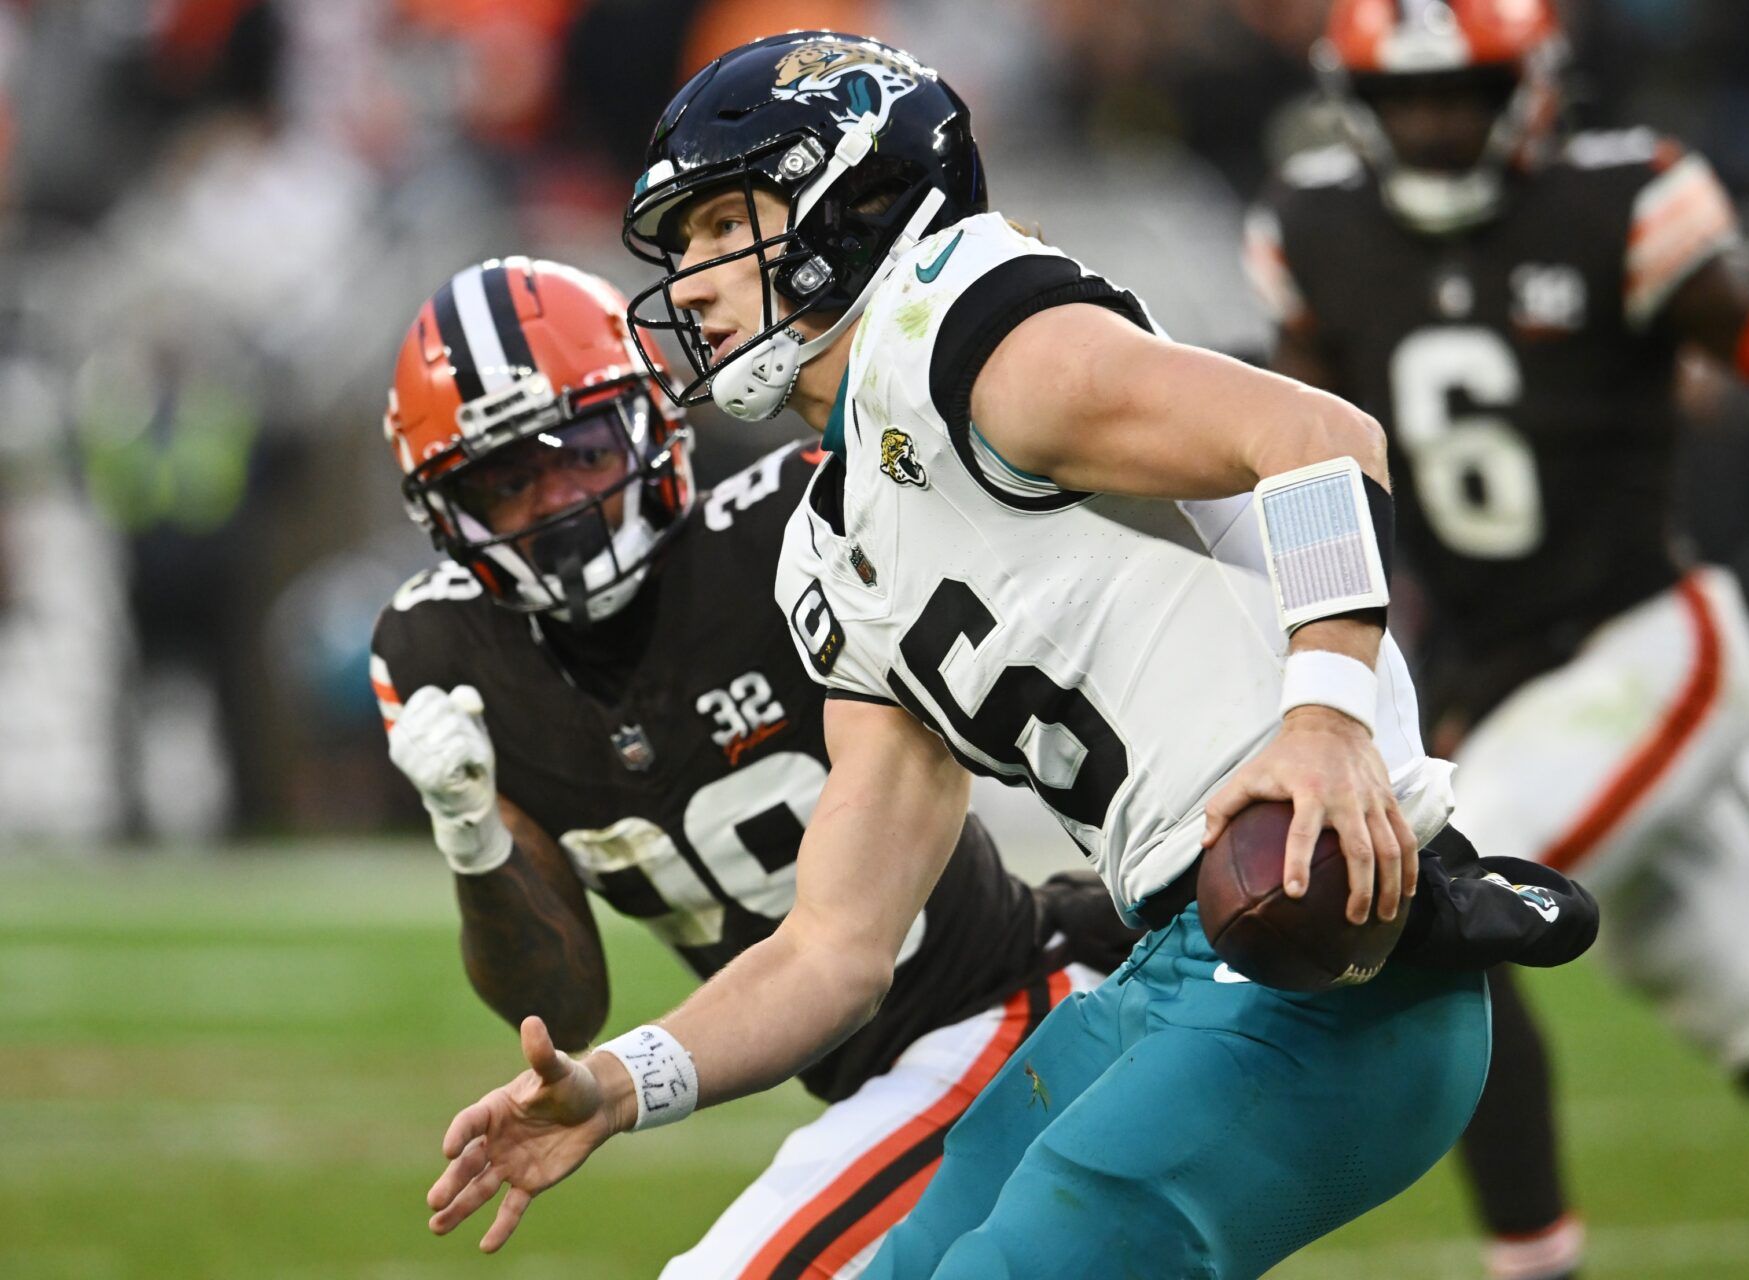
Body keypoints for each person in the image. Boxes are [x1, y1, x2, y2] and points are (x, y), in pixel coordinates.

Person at [425, 34, 1595, 1278]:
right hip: (1170, 969)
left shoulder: (955, 332)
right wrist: (623, 1081)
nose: (695, 281)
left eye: (723, 226)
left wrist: (1326, 716)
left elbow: (1315, 437)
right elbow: (835, 946)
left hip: (1333, 954)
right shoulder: (829, 546)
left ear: (848, 199)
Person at [1243, 3, 1749, 1278]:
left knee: (1439, 906)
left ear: (1535, 86)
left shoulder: (1624, 199)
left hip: (1654, 638)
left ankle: (1535, 1265)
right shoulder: (1311, 228)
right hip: (1508, 685)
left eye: (1465, 94)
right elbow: (1312, 470)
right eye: (1407, 101)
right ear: (1354, 99)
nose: (1437, 127)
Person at [373, 255, 1141, 1276]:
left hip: (1005, 1004)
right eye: (506, 481)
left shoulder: (797, 530)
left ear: (652, 421)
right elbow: (558, 1010)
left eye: (584, 449)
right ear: (446, 510)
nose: (558, 501)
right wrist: (472, 838)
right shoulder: (440, 653)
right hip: (876, 1065)